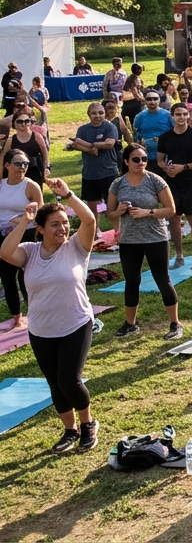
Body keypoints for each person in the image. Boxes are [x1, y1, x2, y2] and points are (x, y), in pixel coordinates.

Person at [0, 180, 101, 453]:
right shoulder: (30, 252)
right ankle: (70, 430)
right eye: (55, 224)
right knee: (54, 382)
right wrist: (25, 221)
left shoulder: (76, 248)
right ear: (41, 229)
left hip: (76, 323)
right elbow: (5, 252)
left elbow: (89, 220)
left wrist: (66, 195)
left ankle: (88, 424)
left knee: (69, 379)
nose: (63, 228)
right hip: (41, 329)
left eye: (64, 223)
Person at [106, 144, 182, 339]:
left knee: (162, 279)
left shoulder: (155, 180)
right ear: (126, 161)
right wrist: (120, 212)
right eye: (136, 159)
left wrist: (147, 212)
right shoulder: (117, 184)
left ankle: (175, 323)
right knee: (132, 281)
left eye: (144, 159)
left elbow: (170, 209)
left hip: (155, 237)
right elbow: (109, 213)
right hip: (129, 240)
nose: (141, 163)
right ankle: (130, 323)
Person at [156, 104, 192, 269]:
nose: (182, 117)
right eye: (178, 114)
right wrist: (167, 169)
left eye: (185, 114)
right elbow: (159, 160)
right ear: (172, 116)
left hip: (191, 184)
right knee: (174, 221)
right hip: (172, 185)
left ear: (189, 116)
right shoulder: (165, 137)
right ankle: (179, 256)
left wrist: (184, 167)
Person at [0, 148, 43, 330]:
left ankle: (34, 313)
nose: (22, 167)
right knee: (7, 275)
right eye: (18, 164)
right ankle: (17, 317)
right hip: (3, 234)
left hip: (25, 232)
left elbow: (40, 212)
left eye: (26, 164)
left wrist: (22, 219)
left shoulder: (30, 186)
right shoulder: (1, 185)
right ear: (7, 165)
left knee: (25, 276)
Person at [68, 103, 120, 231]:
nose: (98, 116)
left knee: (112, 205)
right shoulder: (83, 129)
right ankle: (95, 232)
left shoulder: (110, 127)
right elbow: (75, 144)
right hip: (89, 173)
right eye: (94, 113)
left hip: (108, 171)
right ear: (89, 115)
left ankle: (117, 231)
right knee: (92, 205)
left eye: (101, 113)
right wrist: (92, 149)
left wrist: (88, 145)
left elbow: (109, 144)